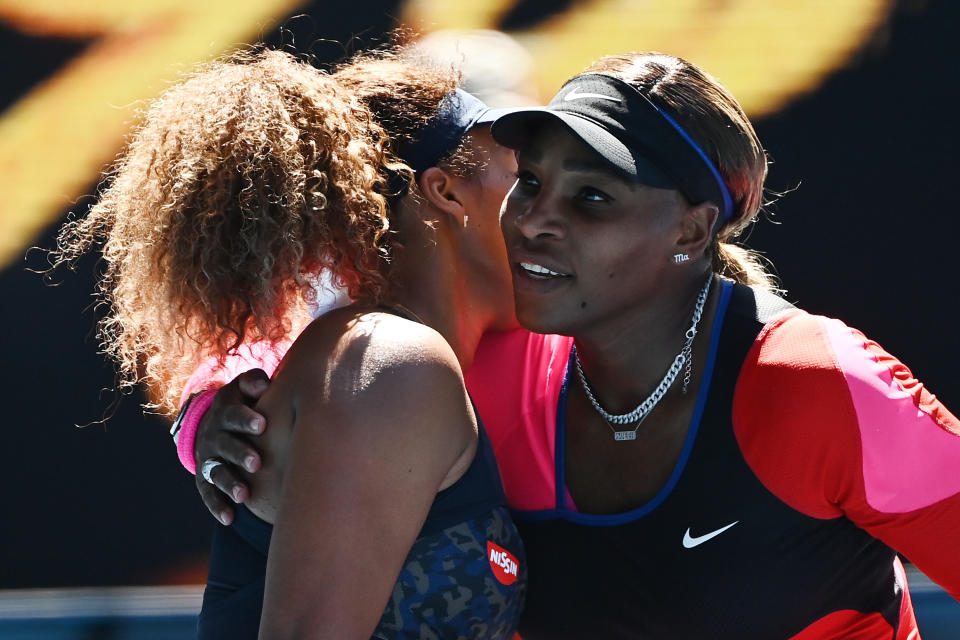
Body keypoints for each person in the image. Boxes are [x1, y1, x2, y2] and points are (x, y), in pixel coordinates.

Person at [178, 51, 960, 638]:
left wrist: (205, 422)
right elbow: (320, 388)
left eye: (589, 197)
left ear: (690, 231)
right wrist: (211, 417)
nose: (533, 220)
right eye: (531, 183)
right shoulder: (464, 376)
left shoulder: (817, 382)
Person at [53, 49, 526, 639]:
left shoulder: (382, 363)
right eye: (524, 177)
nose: (547, 208)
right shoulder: (389, 363)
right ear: (447, 193)